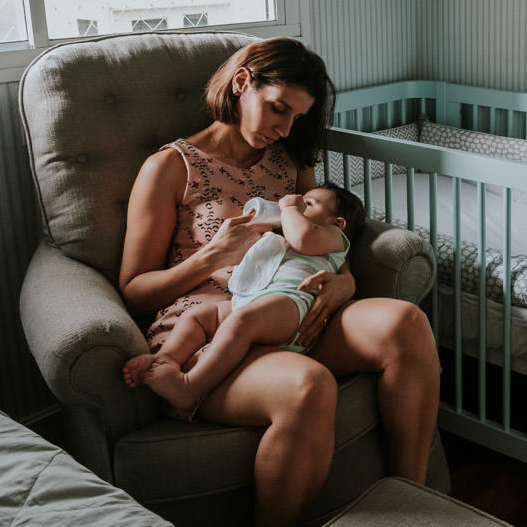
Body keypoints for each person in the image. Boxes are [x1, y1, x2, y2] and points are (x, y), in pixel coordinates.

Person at [118, 37, 440, 527]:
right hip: (208, 328)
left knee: (406, 323)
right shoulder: (169, 168)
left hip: (295, 310)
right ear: (243, 83)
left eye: (297, 118)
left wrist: (345, 283)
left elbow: (327, 237)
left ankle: (413, 506)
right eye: (278, 109)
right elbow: (134, 287)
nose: (285, 128)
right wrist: (209, 257)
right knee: (308, 386)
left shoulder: (290, 163)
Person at [122, 185, 365, 420]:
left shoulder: (333, 237)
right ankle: (166, 359)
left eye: (308, 204)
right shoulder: (288, 235)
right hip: (255, 300)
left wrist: (290, 208)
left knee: (242, 321)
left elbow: (303, 238)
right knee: (200, 316)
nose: (299, 204)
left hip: (292, 305)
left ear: (338, 222)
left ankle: (189, 387)